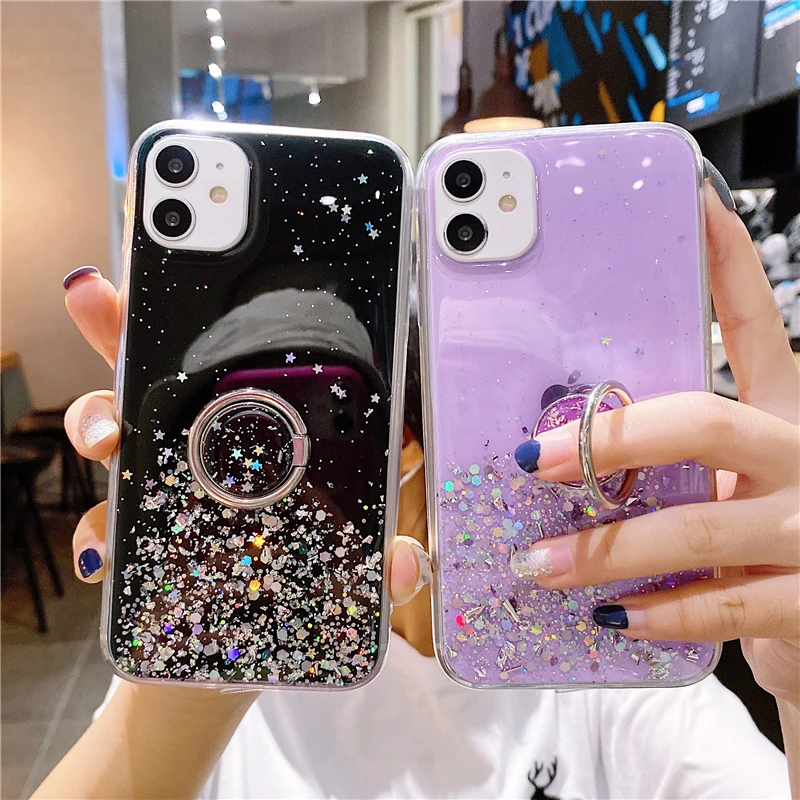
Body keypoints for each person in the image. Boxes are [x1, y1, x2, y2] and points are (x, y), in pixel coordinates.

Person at [34, 174, 798, 799]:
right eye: (235, 435)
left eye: (328, 412)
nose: (280, 458)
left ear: (401, 432)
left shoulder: (600, 656)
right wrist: (197, 673)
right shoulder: (207, 668)